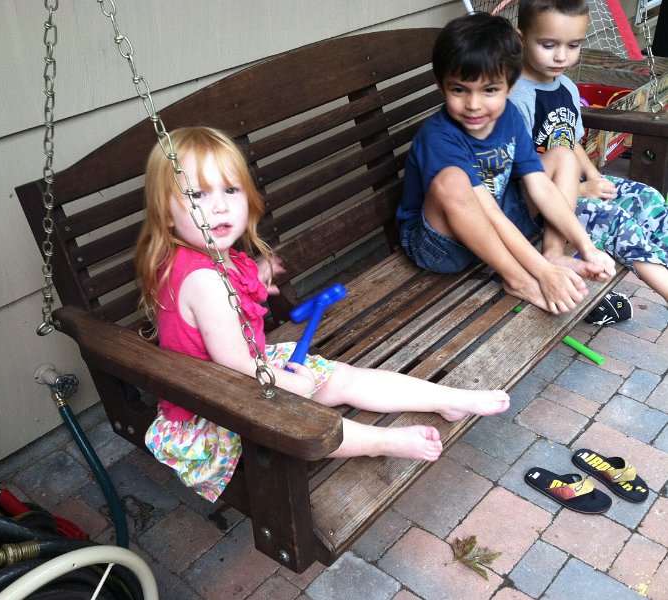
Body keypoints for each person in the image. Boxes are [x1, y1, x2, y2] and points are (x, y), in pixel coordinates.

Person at [133, 126, 511, 502]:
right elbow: (235, 364)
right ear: (167, 213)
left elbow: (218, 321)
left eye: (230, 190)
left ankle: (446, 398)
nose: (219, 206)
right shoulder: (204, 281)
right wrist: (292, 385)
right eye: (197, 194)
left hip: (246, 370)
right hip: (216, 406)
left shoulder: (208, 256)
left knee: (340, 377)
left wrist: (255, 281)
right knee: (299, 417)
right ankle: (380, 441)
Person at [395, 12, 616, 316]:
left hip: (496, 219)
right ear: (441, 86)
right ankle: (517, 280)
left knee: (563, 154)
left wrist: (586, 246)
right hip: (441, 244)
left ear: (511, 86)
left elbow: (539, 184)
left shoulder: (509, 115)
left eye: (489, 90)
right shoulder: (438, 137)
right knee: (451, 181)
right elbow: (487, 212)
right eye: (459, 89)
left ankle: (553, 253)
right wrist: (539, 274)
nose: (474, 104)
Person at [509, 0, 668, 304]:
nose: (561, 56)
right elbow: (521, 176)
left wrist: (595, 177)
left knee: (648, 198)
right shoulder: (516, 98)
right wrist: (581, 190)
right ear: (521, 39)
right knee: (616, 221)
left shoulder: (566, 87)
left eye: (573, 45)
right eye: (548, 45)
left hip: (574, 185)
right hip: (540, 204)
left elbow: (571, 141)